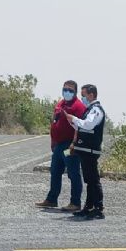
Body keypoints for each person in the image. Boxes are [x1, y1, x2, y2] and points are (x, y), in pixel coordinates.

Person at [35, 80, 87, 211]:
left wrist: (74, 144)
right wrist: (53, 140)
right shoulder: (60, 104)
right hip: (58, 146)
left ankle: (75, 203)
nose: (67, 92)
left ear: (75, 92)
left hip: (69, 146)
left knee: (73, 173)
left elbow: (80, 127)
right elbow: (54, 120)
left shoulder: (78, 107)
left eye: (70, 90)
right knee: (55, 171)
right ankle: (52, 200)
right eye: (65, 89)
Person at [64, 84, 106, 220]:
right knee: (89, 180)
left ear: (91, 95)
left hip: (91, 150)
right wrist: (72, 121)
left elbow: (89, 125)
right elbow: (83, 126)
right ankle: (89, 207)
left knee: (93, 180)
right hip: (85, 149)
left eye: (84, 95)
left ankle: (98, 208)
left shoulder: (96, 110)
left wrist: (75, 119)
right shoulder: (89, 110)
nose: (82, 98)